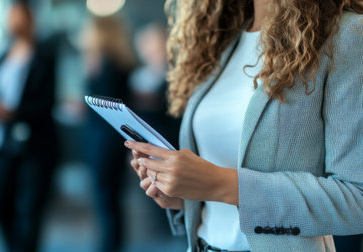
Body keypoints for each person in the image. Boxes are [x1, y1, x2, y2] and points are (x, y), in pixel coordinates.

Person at [125, 0, 363, 251]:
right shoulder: (221, 39)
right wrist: (186, 194)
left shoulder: (347, 35)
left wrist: (220, 184)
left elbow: (357, 198)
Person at [0, 3, 58, 252]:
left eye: (19, 17)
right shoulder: (3, 54)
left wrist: (13, 112)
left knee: (29, 211)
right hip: (1, 142)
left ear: (30, 20)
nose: (14, 23)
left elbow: (47, 103)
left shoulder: (45, 55)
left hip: (33, 144)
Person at [81, 16, 137, 252]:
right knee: (112, 199)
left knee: (105, 198)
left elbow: (104, 106)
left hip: (103, 140)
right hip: (114, 139)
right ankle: (113, 244)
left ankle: (109, 246)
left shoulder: (104, 64)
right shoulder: (122, 62)